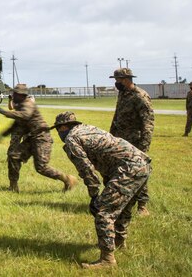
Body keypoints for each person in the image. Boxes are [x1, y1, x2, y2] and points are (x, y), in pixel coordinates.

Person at [53, 111, 151, 270]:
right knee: (123, 208)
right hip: (142, 164)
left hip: (128, 169)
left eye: (58, 130)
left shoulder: (72, 139)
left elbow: (86, 170)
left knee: (103, 211)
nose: (59, 133)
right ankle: (118, 242)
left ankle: (107, 260)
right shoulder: (88, 129)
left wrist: (94, 196)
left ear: (64, 126)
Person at [0, 83, 78, 192]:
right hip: (32, 138)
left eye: (15, 94)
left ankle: (67, 179)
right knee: (14, 156)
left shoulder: (28, 104)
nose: (13, 96)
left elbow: (25, 115)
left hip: (42, 138)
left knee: (41, 168)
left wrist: (2, 111)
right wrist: (3, 135)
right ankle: (13, 187)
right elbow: (16, 124)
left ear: (22, 95)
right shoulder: (20, 105)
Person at [108, 68, 154, 215]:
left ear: (127, 79)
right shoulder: (123, 94)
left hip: (136, 142)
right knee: (119, 171)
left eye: (118, 80)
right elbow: (117, 117)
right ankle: (121, 201)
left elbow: (148, 123)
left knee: (139, 172)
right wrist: (111, 137)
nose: (116, 83)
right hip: (121, 140)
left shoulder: (140, 96)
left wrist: (144, 147)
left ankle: (142, 205)